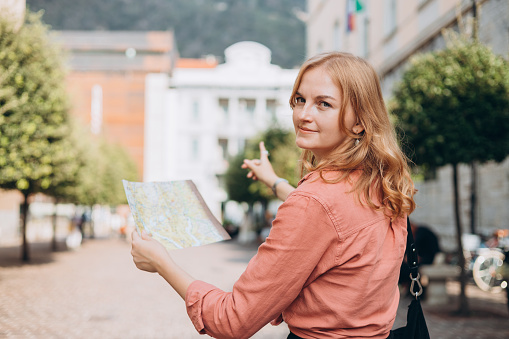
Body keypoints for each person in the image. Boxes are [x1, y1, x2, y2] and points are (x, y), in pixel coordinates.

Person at [130, 52, 416, 339]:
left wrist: (161, 262)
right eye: (300, 100)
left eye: (324, 104)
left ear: (359, 122)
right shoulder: (384, 184)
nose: (303, 115)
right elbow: (337, 227)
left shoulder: (314, 203)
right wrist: (276, 183)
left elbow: (232, 320)